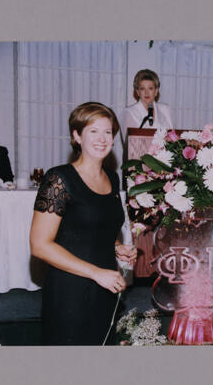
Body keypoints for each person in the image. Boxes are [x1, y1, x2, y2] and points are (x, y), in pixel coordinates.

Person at [29, 102, 137, 345]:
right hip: (71, 290)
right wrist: (96, 273)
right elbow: (39, 245)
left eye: (108, 132)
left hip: (106, 286)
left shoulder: (112, 176)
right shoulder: (58, 179)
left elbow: (96, 228)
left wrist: (117, 246)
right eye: (93, 131)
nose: (102, 139)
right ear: (77, 136)